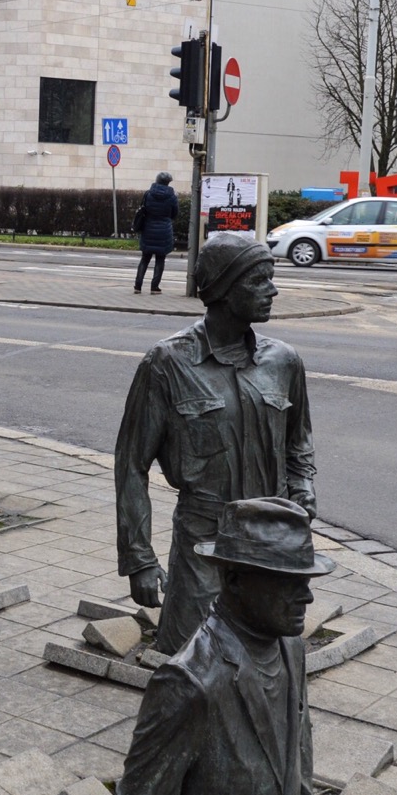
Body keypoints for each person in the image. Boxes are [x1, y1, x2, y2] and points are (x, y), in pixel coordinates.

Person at [115, 232, 317, 656]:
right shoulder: (167, 363)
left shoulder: (284, 361)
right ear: (225, 290)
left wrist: (303, 490)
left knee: (266, 662)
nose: (273, 291)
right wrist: (139, 559)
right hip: (203, 542)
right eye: (259, 280)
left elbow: (299, 443)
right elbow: (131, 465)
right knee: (190, 661)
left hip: (270, 539)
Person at [116, 497, 330, 795]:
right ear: (234, 579)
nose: (307, 597)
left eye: (307, 581)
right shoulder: (190, 681)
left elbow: (300, 738)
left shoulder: (290, 646)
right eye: (289, 582)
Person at [134, 171, 179, 294]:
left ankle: (138, 286)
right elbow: (175, 213)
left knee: (145, 259)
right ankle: (154, 287)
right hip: (164, 230)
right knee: (160, 259)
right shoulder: (172, 197)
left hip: (148, 228)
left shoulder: (148, 194)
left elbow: (143, 209)